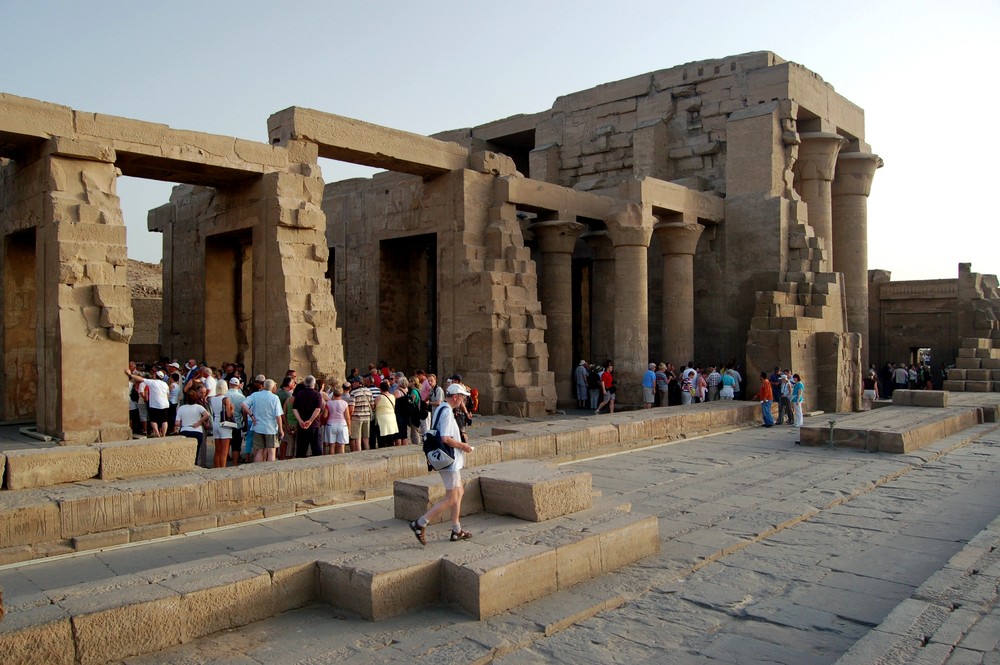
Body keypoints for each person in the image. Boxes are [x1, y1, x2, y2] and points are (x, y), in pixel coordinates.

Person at [408, 383, 476, 545]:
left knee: (458, 492)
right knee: (452, 497)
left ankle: (456, 529)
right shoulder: (446, 412)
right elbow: (445, 438)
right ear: (455, 397)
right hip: (449, 459)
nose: (463, 401)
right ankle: (420, 523)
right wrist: (463, 446)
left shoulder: (442, 408)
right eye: (462, 397)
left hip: (448, 458)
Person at [242, 378, 284, 463]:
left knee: (259, 450)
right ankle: (270, 470)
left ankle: (258, 469)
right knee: (271, 451)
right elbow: (278, 416)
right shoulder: (275, 398)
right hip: (270, 428)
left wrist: (251, 415)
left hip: (258, 426)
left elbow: (243, 404)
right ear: (272, 387)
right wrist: (280, 429)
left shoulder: (255, 395)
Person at [126, 369, 171, 437]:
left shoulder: (152, 382)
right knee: (164, 420)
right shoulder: (165, 384)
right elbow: (168, 395)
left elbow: (140, 379)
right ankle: (164, 434)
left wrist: (130, 375)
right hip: (165, 404)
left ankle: (157, 433)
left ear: (156, 376)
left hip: (155, 405)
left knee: (153, 420)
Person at [175, 390, 211, 466]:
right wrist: (199, 422)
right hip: (197, 431)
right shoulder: (198, 407)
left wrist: (184, 422)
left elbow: (177, 423)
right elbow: (207, 414)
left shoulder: (181, 408)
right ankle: (194, 464)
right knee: (196, 451)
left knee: (185, 451)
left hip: (185, 430)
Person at [292, 375, 323, 458]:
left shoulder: (299, 394)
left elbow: (294, 409)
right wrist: (310, 421)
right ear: (314, 383)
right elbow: (318, 409)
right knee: (316, 450)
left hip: (302, 424)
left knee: (301, 450)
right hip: (314, 424)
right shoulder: (317, 395)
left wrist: (300, 420)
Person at [208, 381, 234, 468]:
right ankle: (223, 467)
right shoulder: (226, 399)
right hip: (224, 424)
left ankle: (217, 467)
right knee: (224, 450)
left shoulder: (213, 398)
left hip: (216, 422)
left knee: (217, 450)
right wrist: (232, 409)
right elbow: (228, 414)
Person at [348, 375, 373, 452]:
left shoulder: (354, 392)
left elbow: (351, 408)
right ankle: (367, 454)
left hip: (357, 418)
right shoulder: (369, 391)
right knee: (366, 439)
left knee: (357, 439)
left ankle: (358, 456)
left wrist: (349, 416)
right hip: (367, 417)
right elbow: (372, 405)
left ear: (358, 383)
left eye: (354, 382)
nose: (352, 384)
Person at [225, 377, 246, 466]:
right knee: (236, 445)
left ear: (230, 384)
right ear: (238, 386)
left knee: (226, 443)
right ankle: (234, 463)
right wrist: (245, 423)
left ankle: (224, 460)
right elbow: (244, 411)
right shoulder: (242, 397)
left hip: (226, 423)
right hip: (237, 423)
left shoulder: (225, 394)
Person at [323, 386, 350, 454]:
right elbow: (347, 417)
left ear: (333, 393)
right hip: (342, 424)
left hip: (331, 424)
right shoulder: (344, 403)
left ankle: (331, 461)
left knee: (332, 445)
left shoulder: (328, 403)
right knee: (341, 445)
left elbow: (325, 415)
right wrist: (349, 428)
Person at [373, 380, 399, 449]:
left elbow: (374, 407)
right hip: (392, 418)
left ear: (380, 388)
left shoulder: (379, 397)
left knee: (382, 439)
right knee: (390, 438)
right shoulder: (392, 396)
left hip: (382, 419)